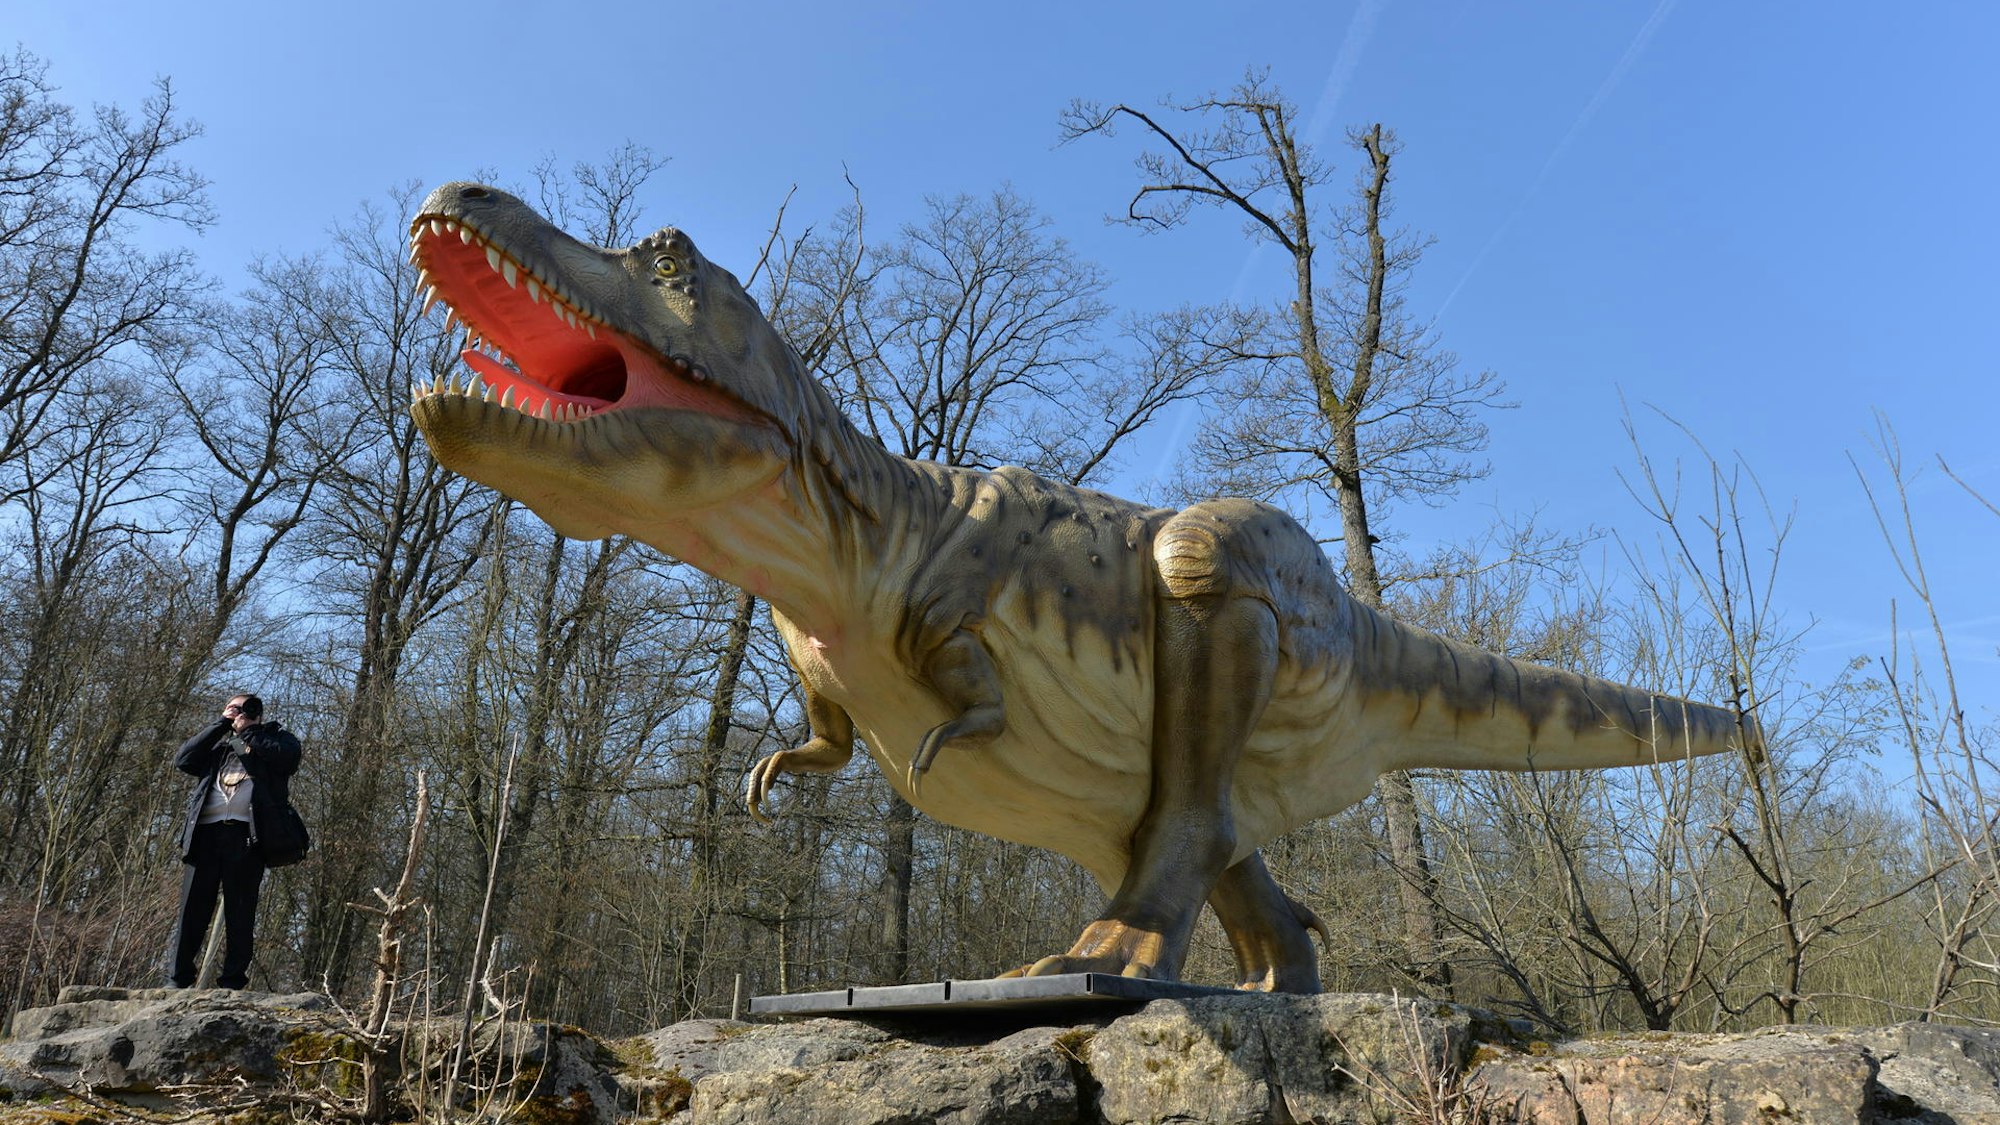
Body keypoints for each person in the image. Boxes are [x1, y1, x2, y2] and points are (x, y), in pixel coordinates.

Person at [168, 693, 302, 989]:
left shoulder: (275, 739)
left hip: (247, 837)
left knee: (240, 911)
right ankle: (178, 979)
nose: (241, 713)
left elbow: (288, 759)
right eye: (235, 708)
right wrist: (221, 724)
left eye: (248, 709)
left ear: (259, 715)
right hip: (204, 834)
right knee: (192, 910)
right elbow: (184, 760)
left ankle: (232, 981)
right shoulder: (216, 745)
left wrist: (249, 732)